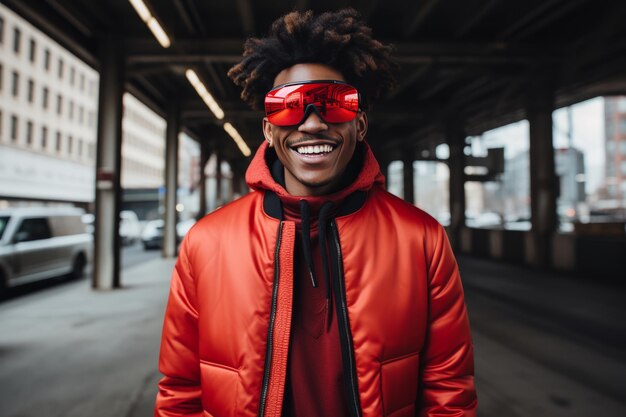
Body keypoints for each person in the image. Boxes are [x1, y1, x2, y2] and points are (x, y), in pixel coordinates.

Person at [155, 8, 476, 417]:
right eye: (289, 106)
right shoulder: (206, 242)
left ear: (359, 125)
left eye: (333, 103)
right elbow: (180, 392)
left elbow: (448, 390)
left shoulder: (422, 240)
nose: (311, 124)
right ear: (269, 131)